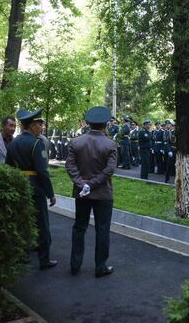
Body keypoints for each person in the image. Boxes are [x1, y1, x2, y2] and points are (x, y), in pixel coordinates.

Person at [65, 106, 117, 278]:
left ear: (88, 123)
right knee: (102, 230)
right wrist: (93, 184)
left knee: (79, 227)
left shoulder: (76, 142)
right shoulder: (110, 144)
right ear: (106, 124)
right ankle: (100, 266)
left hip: (82, 193)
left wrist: (82, 184)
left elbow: (70, 166)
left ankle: (75, 264)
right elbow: (109, 170)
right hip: (103, 194)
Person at [6, 108, 57, 270]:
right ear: (32, 126)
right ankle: (44, 259)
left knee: (22, 220)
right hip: (35, 187)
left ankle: (23, 255)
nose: (41, 127)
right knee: (42, 223)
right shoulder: (37, 142)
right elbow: (42, 171)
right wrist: (51, 194)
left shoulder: (13, 142)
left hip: (19, 184)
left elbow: (8, 166)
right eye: (39, 124)